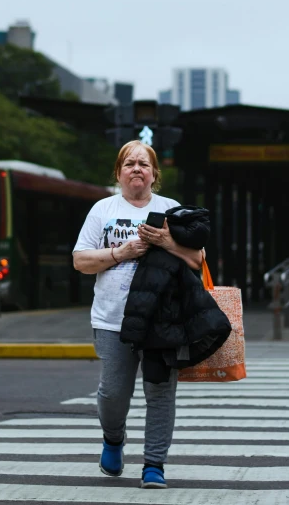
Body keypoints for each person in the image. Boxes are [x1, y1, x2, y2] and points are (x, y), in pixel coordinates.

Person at [72, 140, 203, 490]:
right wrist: (123, 251)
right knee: (113, 393)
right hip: (112, 320)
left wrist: (165, 242)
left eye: (143, 164)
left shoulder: (171, 209)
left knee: (160, 393)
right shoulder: (103, 209)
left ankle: (154, 464)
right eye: (129, 164)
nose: (136, 170)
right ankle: (113, 439)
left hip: (162, 322)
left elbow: (197, 259)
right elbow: (81, 261)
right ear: (118, 173)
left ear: (154, 174)